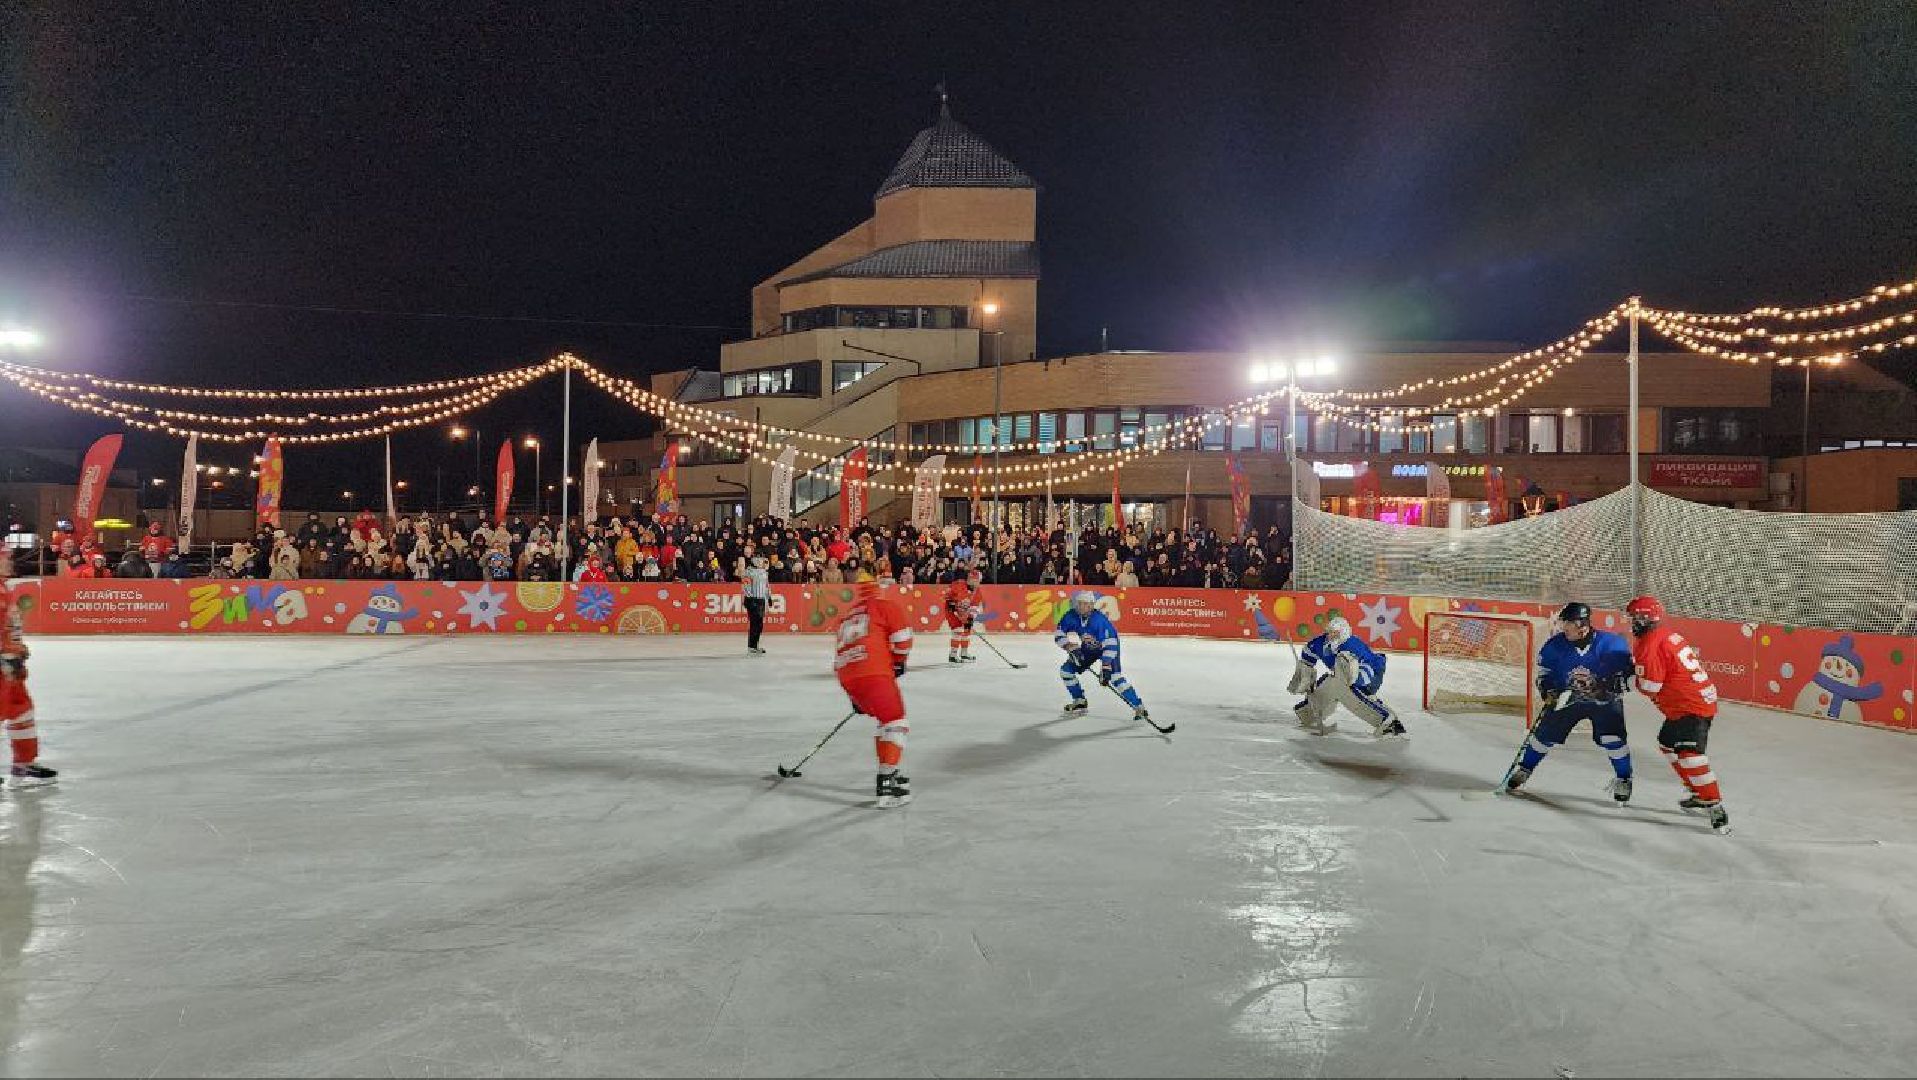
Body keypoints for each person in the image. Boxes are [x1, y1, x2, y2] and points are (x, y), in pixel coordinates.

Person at [1502, 602, 1636, 801]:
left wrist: (1610, 688)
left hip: (1604, 701)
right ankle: (1525, 768)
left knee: (1613, 740)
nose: (1563, 628)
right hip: (1568, 698)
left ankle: (1624, 779)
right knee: (1543, 736)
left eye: (1567, 624)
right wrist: (1548, 690)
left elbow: (1630, 677)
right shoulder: (1555, 644)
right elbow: (1545, 674)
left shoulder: (1612, 644)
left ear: (1582, 626)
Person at [1628, 595, 1730, 833]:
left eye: (1635, 617)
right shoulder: (1663, 634)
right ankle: (1696, 790)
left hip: (1690, 706)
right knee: (1667, 742)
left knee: (1689, 754)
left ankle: (1715, 805)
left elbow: (1651, 686)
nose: (1632, 621)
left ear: (1646, 619)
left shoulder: (1648, 644)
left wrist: (1627, 681)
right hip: (1691, 702)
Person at [832, 569, 915, 807]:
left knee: (884, 719)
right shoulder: (884, 606)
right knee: (895, 721)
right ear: (878, 590)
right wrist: (898, 663)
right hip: (874, 671)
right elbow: (902, 639)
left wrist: (855, 695)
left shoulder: (849, 615)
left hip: (847, 675)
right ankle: (887, 782)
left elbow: (841, 651)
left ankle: (889, 770)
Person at [1289, 615, 1406, 738]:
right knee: (1331, 684)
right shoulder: (1321, 643)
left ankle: (1389, 723)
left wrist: (1354, 683)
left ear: (1343, 633)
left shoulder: (1353, 646)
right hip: (1345, 672)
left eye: (1335, 633)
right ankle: (1309, 713)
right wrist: (1305, 676)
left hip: (1373, 671)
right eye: (1329, 632)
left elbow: (1368, 669)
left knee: (1350, 693)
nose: (1330, 635)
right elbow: (1309, 652)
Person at [0, 546, 57, 786]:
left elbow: (9, 628)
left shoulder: (4, 588)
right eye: (5, 558)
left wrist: (18, 651)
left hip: (10, 665)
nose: (10, 561)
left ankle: (24, 763)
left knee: (22, 710)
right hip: (3, 664)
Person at [1054, 591, 1152, 725]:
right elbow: (1059, 633)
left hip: (1109, 649)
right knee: (1066, 671)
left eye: (1086, 604)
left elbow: (1110, 644)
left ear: (1091, 605)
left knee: (1115, 677)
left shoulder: (1100, 621)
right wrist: (1069, 646)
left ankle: (1139, 706)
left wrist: (1105, 667)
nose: (1082, 607)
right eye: (1080, 604)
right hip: (1089, 648)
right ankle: (1080, 700)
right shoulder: (1071, 615)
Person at [942, 566, 981, 664]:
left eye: (978, 580)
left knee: (966, 631)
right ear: (969, 579)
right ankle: (953, 655)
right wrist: (951, 603)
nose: (976, 582)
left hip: (964, 612)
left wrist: (970, 620)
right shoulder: (958, 584)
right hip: (952, 611)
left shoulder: (977, 593)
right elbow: (947, 594)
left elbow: (974, 608)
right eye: (974, 580)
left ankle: (964, 653)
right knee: (958, 630)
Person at [742, 553, 770, 655]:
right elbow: (746, 586)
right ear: (753, 560)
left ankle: (756, 645)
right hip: (752, 599)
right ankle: (751, 646)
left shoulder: (764, 571)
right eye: (757, 559)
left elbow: (767, 585)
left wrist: (769, 596)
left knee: (760, 624)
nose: (759, 561)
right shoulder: (748, 571)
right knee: (754, 624)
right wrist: (749, 598)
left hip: (761, 599)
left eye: (761, 559)